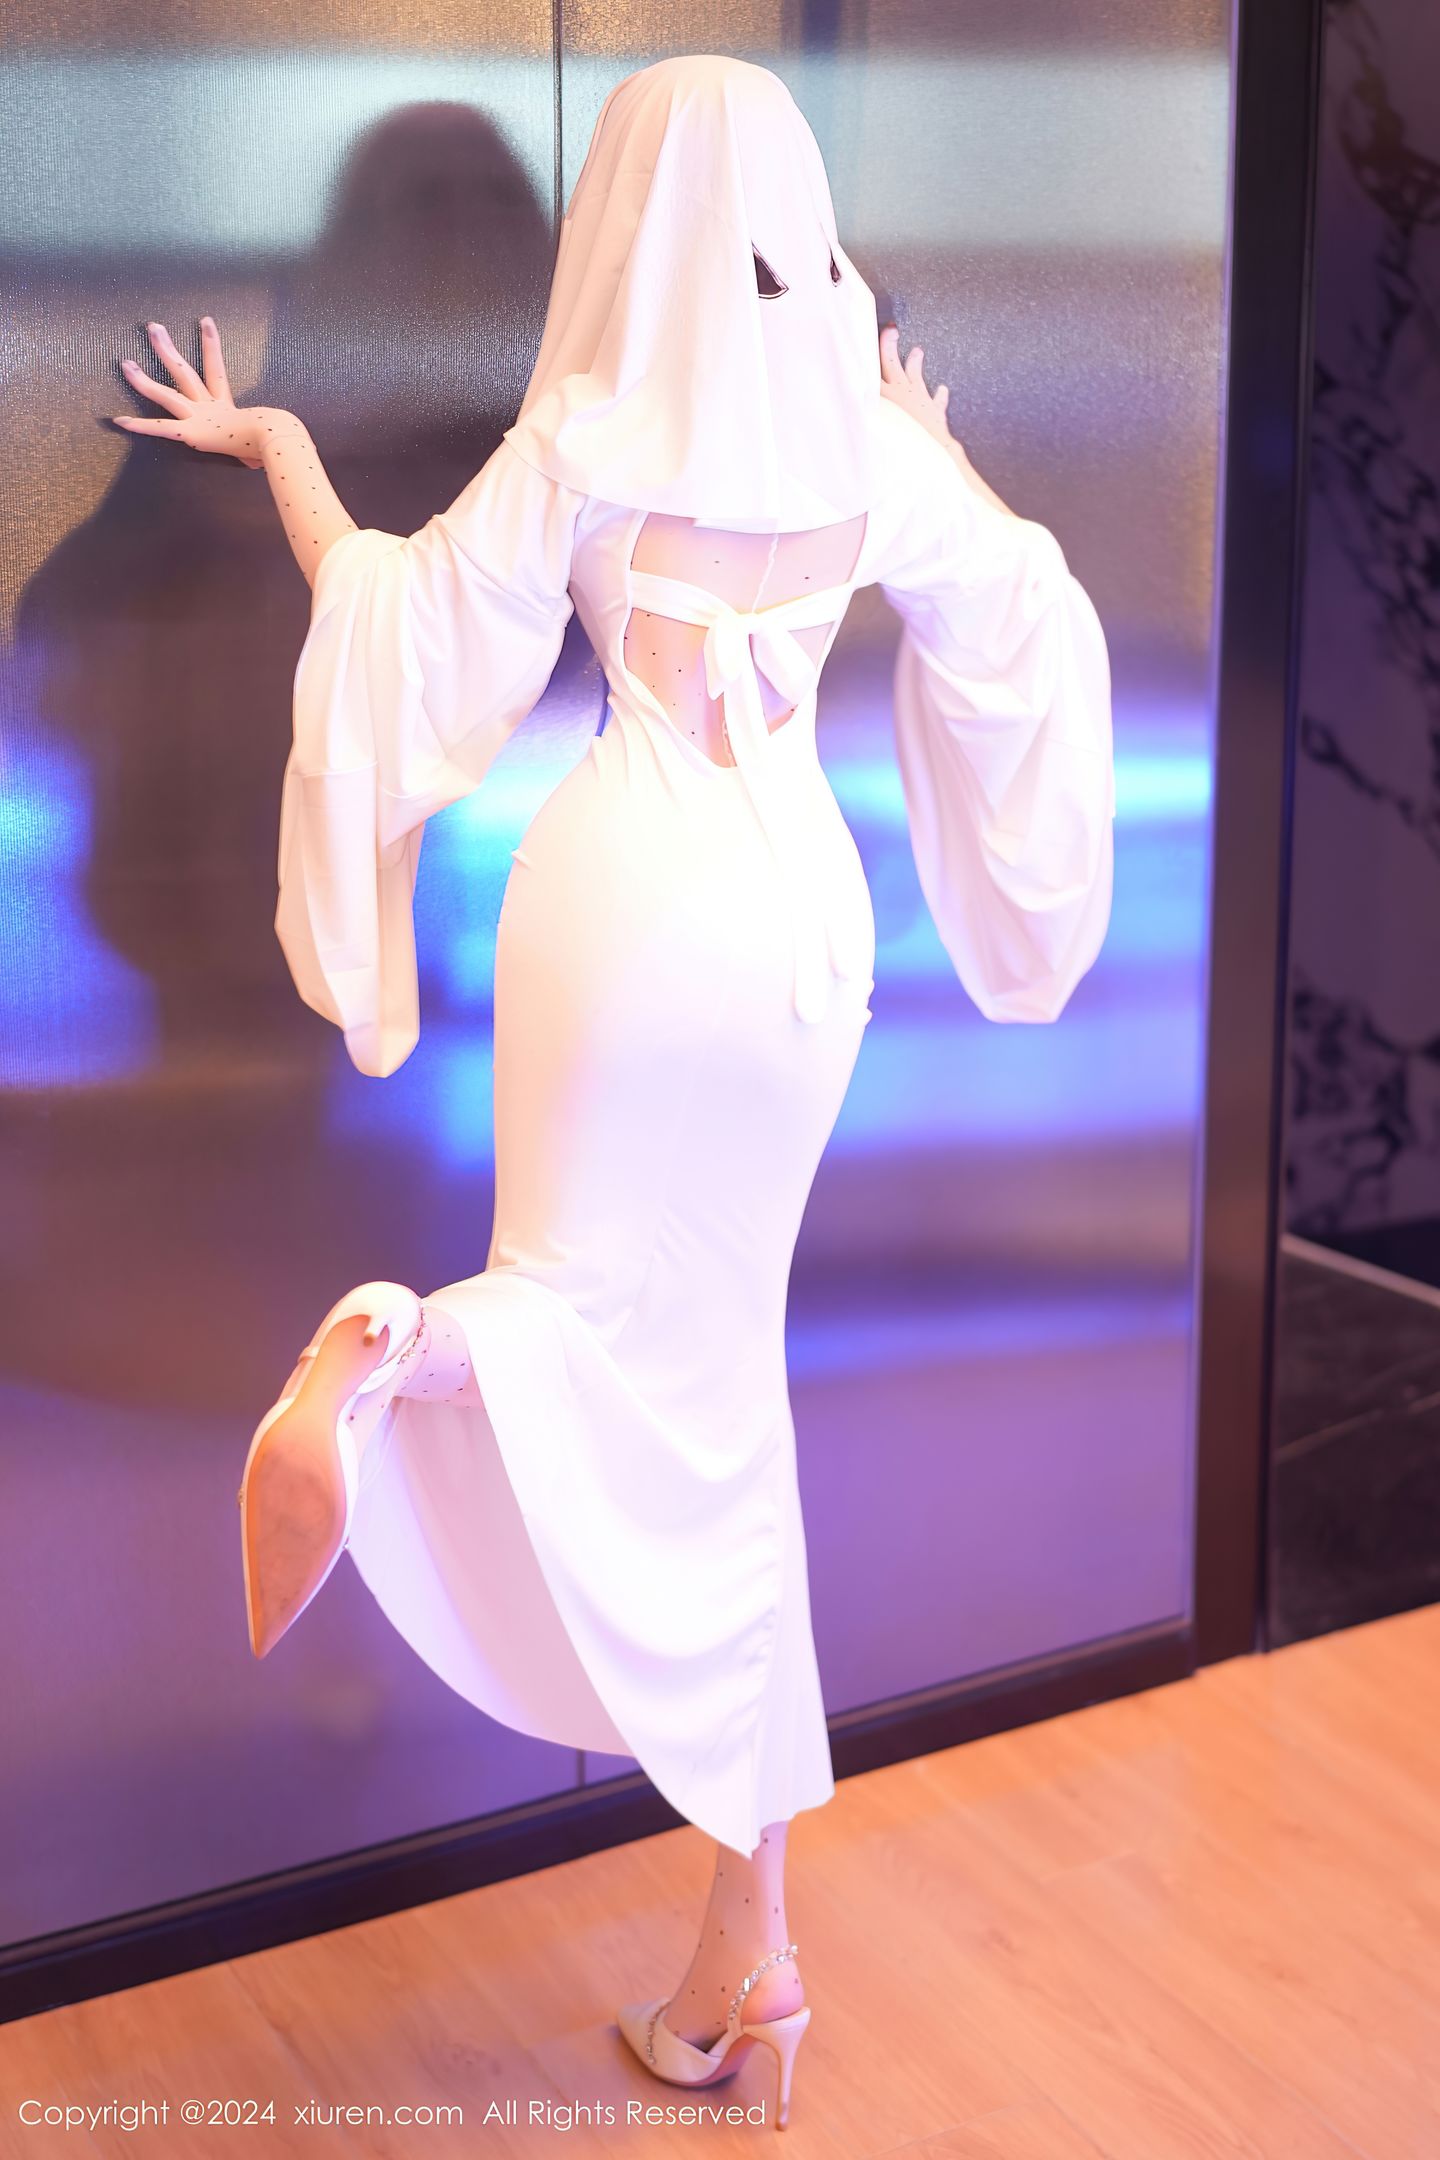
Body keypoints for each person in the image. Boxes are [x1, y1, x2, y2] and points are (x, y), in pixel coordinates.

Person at [112, 53, 1115, 2129]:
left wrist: (283, 449)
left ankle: (397, 1355)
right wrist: (925, 431)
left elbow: (403, 635)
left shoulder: (588, 433)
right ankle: (749, 1946)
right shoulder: (865, 440)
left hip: (626, 906)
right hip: (804, 937)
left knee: (583, 1303)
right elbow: (1027, 609)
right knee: (730, 1387)